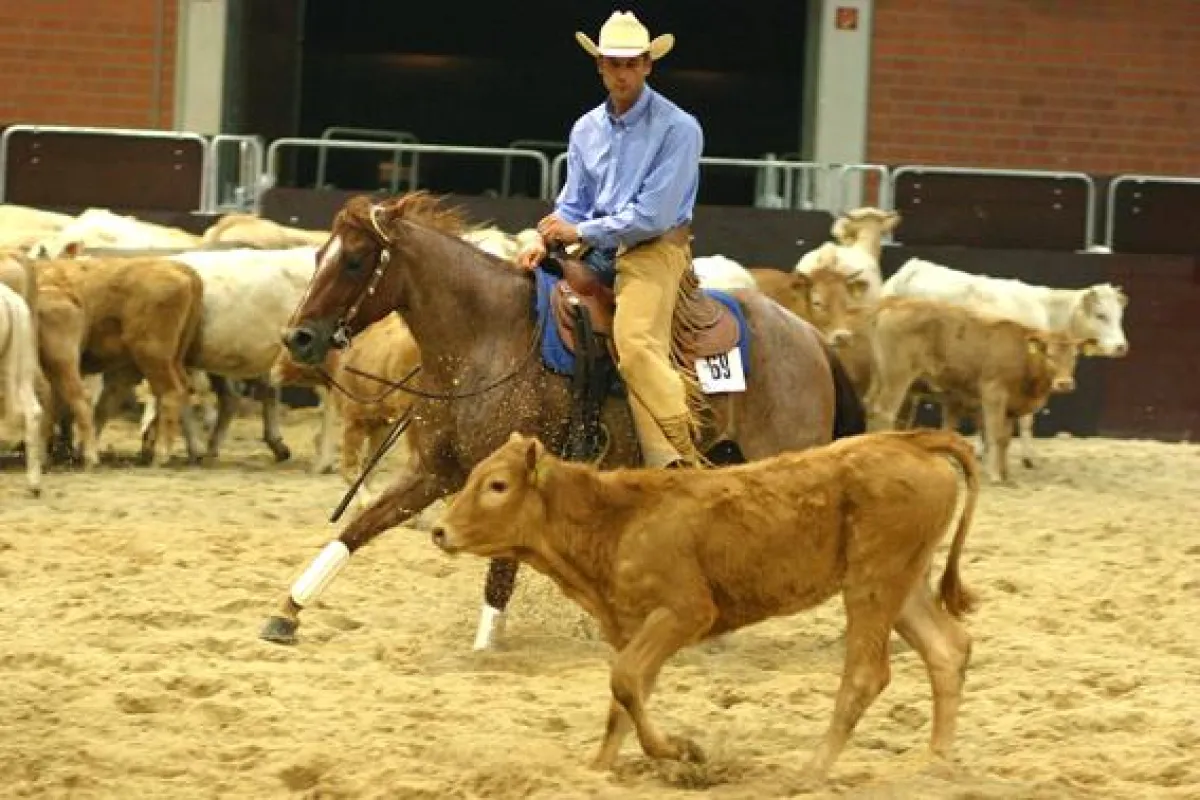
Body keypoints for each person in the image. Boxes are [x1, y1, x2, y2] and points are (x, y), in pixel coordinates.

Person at [517, 10, 705, 470]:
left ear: (647, 65)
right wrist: (545, 237)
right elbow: (574, 203)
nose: (622, 73)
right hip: (594, 246)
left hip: (654, 249)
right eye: (613, 64)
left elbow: (652, 216)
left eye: (631, 64)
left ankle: (679, 459)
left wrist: (579, 231)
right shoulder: (586, 129)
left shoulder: (679, 128)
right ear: (600, 66)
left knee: (636, 342)